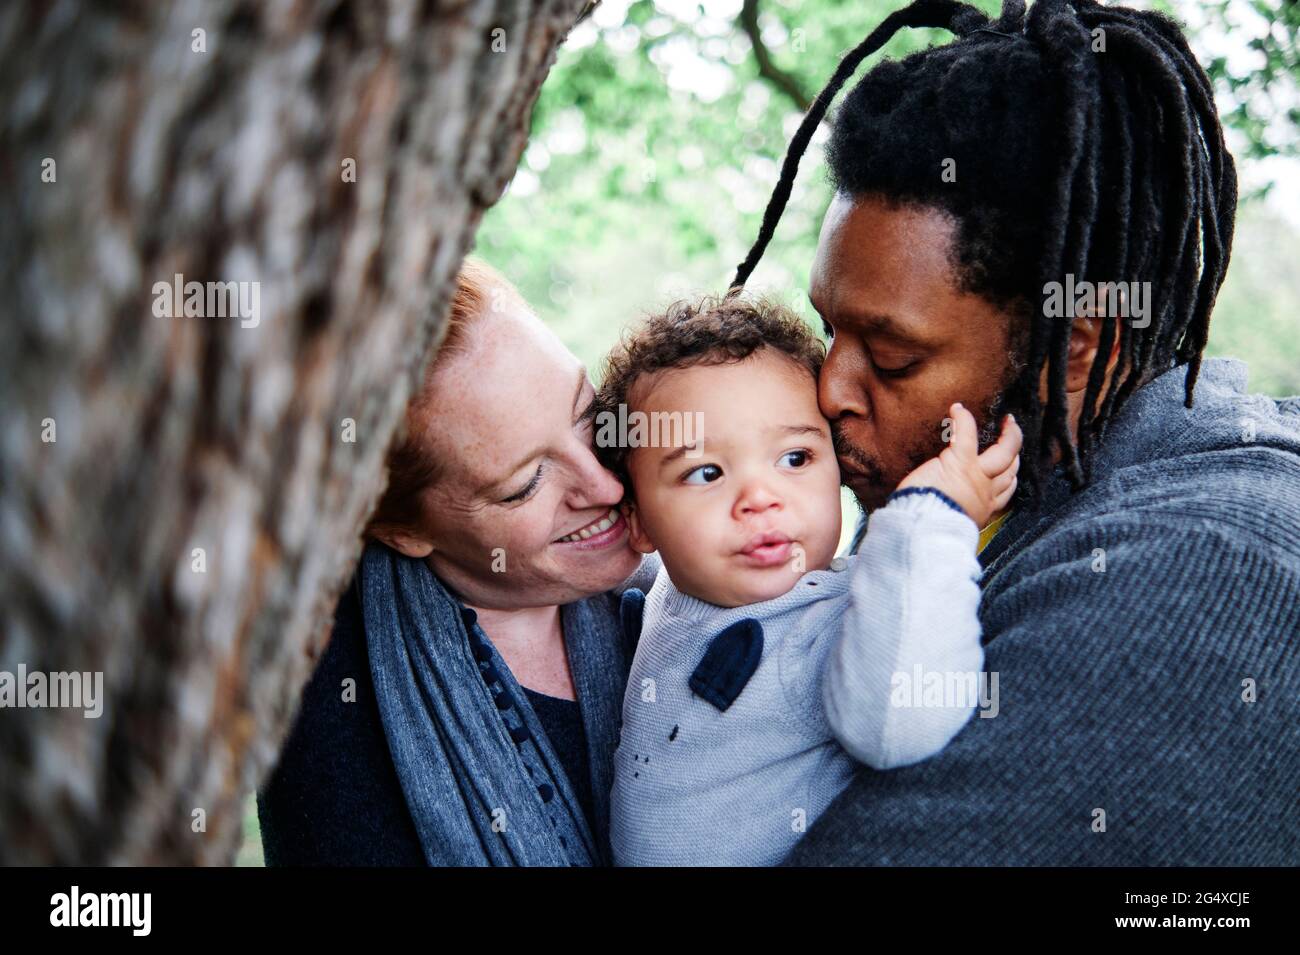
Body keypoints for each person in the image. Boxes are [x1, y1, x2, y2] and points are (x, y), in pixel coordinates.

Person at [720, 0, 1299, 864]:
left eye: (891, 356)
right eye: (828, 332)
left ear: (1072, 348)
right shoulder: (981, 493)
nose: (829, 389)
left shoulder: (1205, 566)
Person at [597, 296, 1020, 865]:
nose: (759, 498)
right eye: (705, 473)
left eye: (795, 459)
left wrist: (930, 524)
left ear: (838, 470)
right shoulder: (672, 586)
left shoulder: (842, 619)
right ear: (639, 522)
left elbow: (900, 723)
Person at [257, 259, 650, 866]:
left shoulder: (695, 574)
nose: (604, 485)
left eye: (587, 413)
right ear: (400, 529)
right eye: (525, 484)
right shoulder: (327, 715)